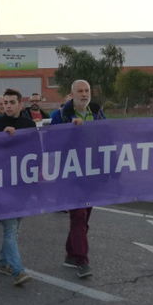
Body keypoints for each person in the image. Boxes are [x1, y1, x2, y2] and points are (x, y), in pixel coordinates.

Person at [49, 80, 106, 279]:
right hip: (69, 174)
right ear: (71, 94)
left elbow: (107, 139)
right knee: (79, 216)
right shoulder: (60, 115)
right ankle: (82, 260)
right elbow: (52, 143)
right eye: (80, 91)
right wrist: (70, 131)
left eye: (87, 90)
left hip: (91, 174)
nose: (84, 94)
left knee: (84, 217)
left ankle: (71, 254)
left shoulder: (98, 114)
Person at [0, 89, 37, 286]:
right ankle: (17, 270)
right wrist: (3, 139)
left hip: (23, 184)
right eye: (5, 102)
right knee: (10, 227)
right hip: (2, 184)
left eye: (11, 102)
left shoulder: (28, 124)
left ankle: (2, 262)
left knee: (15, 227)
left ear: (19, 104)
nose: (7, 105)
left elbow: (36, 151)